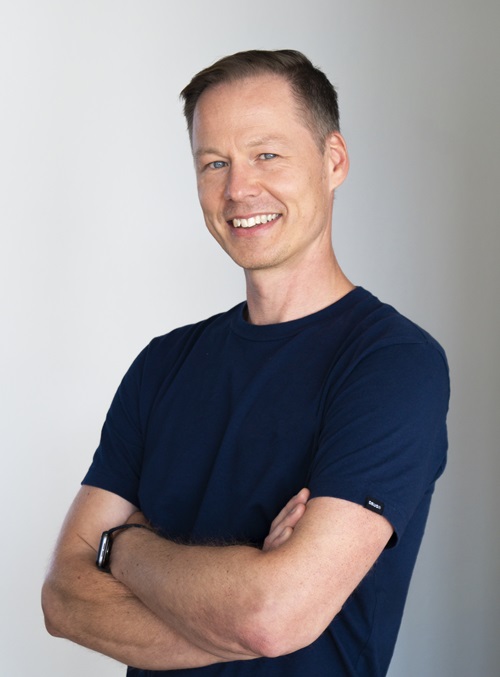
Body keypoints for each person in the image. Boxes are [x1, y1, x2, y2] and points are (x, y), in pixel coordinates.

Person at [42, 49, 449, 676]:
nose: (238, 190)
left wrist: (123, 549)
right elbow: (63, 600)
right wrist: (251, 601)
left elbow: (271, 617)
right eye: (215, 163)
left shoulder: (392, 365)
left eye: (267, 154)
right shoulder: (162, 365)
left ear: (333, 160)